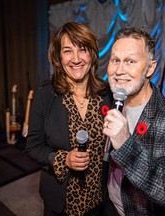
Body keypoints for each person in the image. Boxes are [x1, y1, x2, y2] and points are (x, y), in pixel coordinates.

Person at [26, 22, 113, 216]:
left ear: (92, 53)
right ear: (58, 57)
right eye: (67, 51)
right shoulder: (45, 95)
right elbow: (33, 147)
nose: (75, 59)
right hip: (59, 204)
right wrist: (64, 159)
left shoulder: (107, 94)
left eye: (83, 50)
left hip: (98, 201)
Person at [102, 27, 165, 215]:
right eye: (115, 60)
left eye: (130, 61)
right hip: (109, 206)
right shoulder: (111, 99)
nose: (119, 70)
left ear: (150, 68)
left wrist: (126, 146)